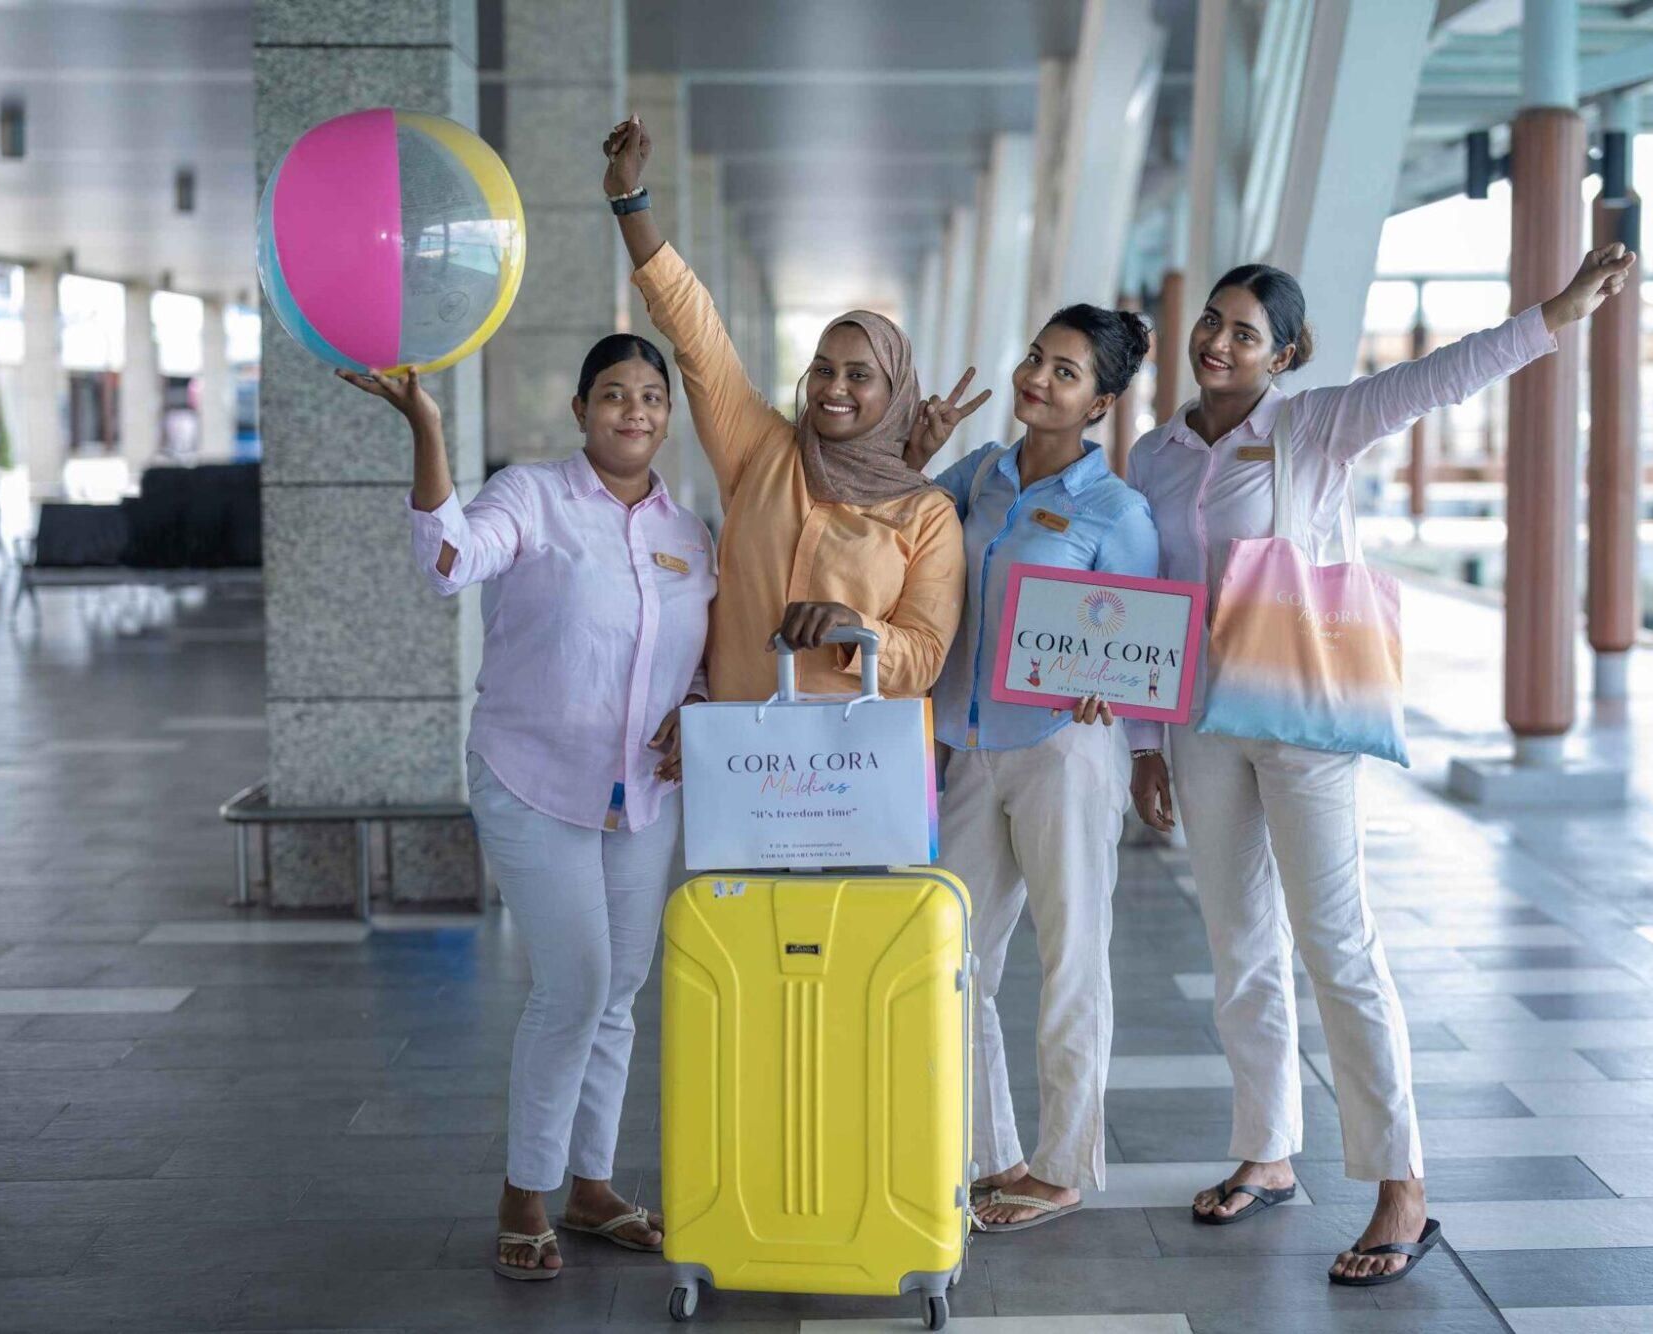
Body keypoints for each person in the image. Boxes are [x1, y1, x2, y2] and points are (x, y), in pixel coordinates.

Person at [1125, 243, 1637, 1284]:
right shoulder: (1155, 453)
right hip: (1199, 723)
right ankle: (1266, 1151)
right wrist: (1145, 744)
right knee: (1238, 946)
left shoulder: (1313, 425)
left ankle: (1401, 1184)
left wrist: (1556, 312)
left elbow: (1437, 377)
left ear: (1284, 355)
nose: (1217, 342)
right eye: (1212, 321)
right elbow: (1141, 601)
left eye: (1244, 333)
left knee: (1337, 945)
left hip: (1302, 713)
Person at [338, 331, 716, 1282]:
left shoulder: (688, 532)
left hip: (644, 792)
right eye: (615, 394)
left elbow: (701, 654)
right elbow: (449, 560)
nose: (635, 410)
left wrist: (700, 704)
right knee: (576, 984)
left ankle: (593, 1187)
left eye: (651, 397)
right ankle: (525, 1191)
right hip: (532, 778)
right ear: (580, 409)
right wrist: (426, 427)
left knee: (619, 992)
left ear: (669, 416)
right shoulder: (532, 497)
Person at [912, 305, 1158, 1232]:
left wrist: (1120, 702)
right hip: (969, 747)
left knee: (1071, 957)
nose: (1038, 379)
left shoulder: (1116, 511)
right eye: (1035, 358)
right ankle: (993, 1156)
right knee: (954, 961)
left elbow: (1143, 645)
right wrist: (917, 447)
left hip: (1064, 751)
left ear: (1099, 402)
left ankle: (1061, 1168)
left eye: (1065, 372)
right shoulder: (979, 474)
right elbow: (893, 519)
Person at [604, 115, 978, 695]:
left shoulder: (925, 515)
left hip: (852, 747)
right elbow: (697, 334)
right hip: (739, 738)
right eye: (823, 370)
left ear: (895, 394)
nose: (834, 388)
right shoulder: (763, 451)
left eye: (859, 376)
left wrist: (857, 629)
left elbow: (925, 657)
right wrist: (630, 203)